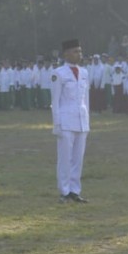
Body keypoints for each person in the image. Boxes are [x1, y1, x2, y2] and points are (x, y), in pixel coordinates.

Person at [51, 39, 91, 203]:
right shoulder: (58, 73)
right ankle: (64, 190)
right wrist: (57, 124)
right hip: (66, 120)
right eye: (75, 51)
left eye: (80, 51)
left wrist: (87, 120)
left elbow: (86, 99)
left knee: (78, 158)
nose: (79, 55)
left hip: (81, 120)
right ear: (66, 54)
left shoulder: (84, 73)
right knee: (65, 158)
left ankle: (75, 190)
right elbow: (55, 101)